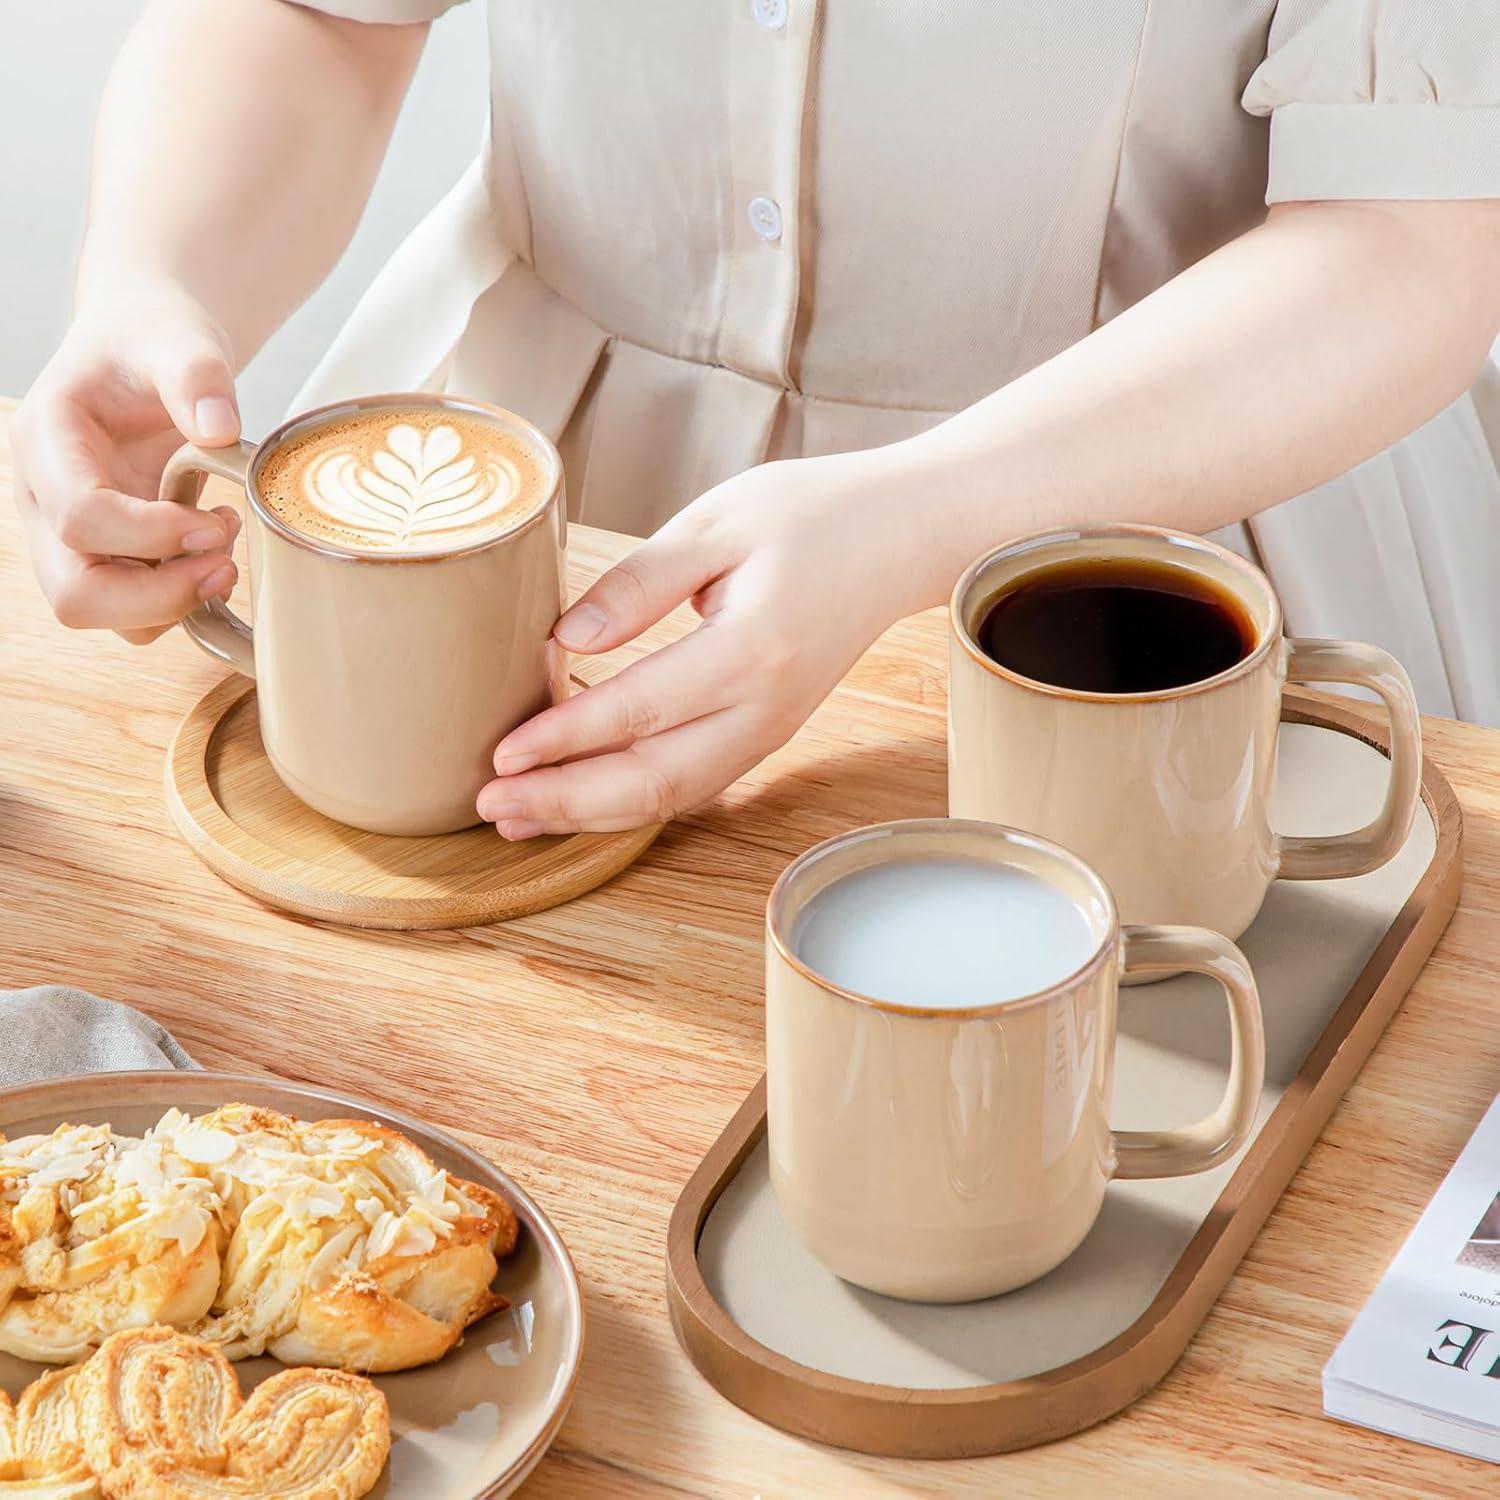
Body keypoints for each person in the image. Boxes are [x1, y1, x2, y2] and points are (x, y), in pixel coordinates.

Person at [14, 1, 1500, 839]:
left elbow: (1408, 230)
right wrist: (153, 274)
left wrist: (921, 517)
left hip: (1156, 572)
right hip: (535, 517)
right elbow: (318, 16)